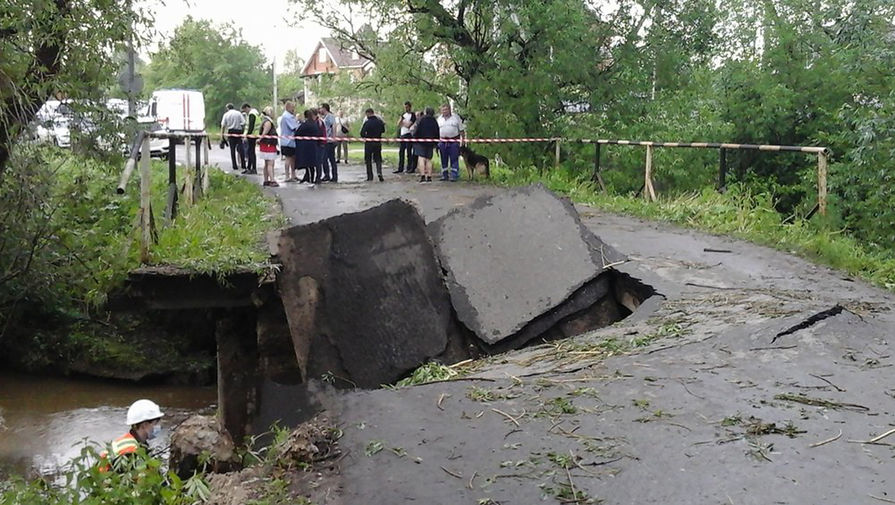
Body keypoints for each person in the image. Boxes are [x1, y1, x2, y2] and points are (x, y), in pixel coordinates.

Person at [98, 399, 164, 472]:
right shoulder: (130, 452)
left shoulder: (130, 440)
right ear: (144, 425)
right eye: (156, 423)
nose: (159, 426)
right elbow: (137, 480)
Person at [437, 103, 465, 181]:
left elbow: (462, 130)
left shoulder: (456, 118)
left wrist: (463, 141)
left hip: (454, 141)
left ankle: (454, 175)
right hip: (442, 142)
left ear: (449, 110)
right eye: (443, 110)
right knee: (443, 158)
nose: (444, 111)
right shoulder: (439, 119)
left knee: (454, 158)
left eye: (446, 109)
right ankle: (444, 175)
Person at [414, 107, 439, 183]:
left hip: (421, 142)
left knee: (421, 158)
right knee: (429, 159)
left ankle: (422, 176)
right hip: (430, 142)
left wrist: (415, 138)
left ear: (425, 112)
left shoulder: (421, 119)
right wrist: (436, 142)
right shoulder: (434, 121)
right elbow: (437, 132)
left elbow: (417, 130)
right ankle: (429, 177)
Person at [360, 107, 386, 182]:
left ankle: (370, 176)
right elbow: (383, 130)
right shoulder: (379, 122)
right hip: (378, 142)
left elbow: (362, 133)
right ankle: (379, 172)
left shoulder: (367, 122)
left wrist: (366, 136)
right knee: (378, 158)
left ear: (368, 113)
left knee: (368, 160)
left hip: (369, 143)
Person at [295, 109, 320, 183]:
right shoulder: (314, 124)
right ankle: (310, 178)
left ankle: (310, 179)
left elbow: (297, 133)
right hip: (313, 146)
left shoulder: (305, 125)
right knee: (312, 165)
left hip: (306, 147)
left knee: (308, 164)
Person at [279, 101, 300, 182]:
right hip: (288, 141)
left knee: (292, 158)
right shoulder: (288, 117)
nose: (293, 109)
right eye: (292, 108)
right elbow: (294, 127)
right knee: (288, 158)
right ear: (287, 107)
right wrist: (298, 121)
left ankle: (293, 175)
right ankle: (288, 176)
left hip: (287, 140)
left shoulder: (285, 116)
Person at [258, 106, 279, 187]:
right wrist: (260, 139)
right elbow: (265, 133)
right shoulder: (268, 122)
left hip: (265, 144)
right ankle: (272, 180)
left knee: (266, 164)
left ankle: (266, 180)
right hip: (268, 144)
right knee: (270, 163)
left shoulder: (265, 121)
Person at [220, 103, 245, 171]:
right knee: (241, 148)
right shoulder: (238, 113)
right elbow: (243, 123)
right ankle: (243, 164)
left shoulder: (226, 114)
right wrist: (243, 133)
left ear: (227, 108)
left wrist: (222, 136)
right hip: (238, 131)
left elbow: (223, 126)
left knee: (232, 149)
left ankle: (234, 165)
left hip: (231, 132)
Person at [394, 101, 417, 174]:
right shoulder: (403, 115)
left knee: (409, 152)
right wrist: (402, 120)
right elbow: (398, 124)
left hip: (409, 134)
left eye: (407, 107)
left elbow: (408, 125)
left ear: (410, 107)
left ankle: (409, 167)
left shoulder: (413, 115)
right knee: (401, 152)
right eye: (405, 107)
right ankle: (400, 168)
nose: (406, 108)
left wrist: (403, 122)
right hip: (402, 134)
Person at [319, 104, 338, 182]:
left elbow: (333, 126)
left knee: (330, 159)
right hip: (325, 140)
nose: (320, 110)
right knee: (324, 159)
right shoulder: (325, 117)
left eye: (321, 108)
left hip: (329, 141)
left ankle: (334, 176)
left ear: (324, 108)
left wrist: (333, 137)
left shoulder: (330, 116)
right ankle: (327, 174)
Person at [241, 103, 260, 175]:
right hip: (253, 135)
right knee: (250, 152)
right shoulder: (254, 113)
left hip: (252, 136)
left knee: (251, 152)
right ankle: (249, 168)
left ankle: (252, 168)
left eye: (245, 110)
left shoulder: (252, 114)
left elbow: (251, 127)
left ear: (247, 108)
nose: (245, 112)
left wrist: (247, 135)